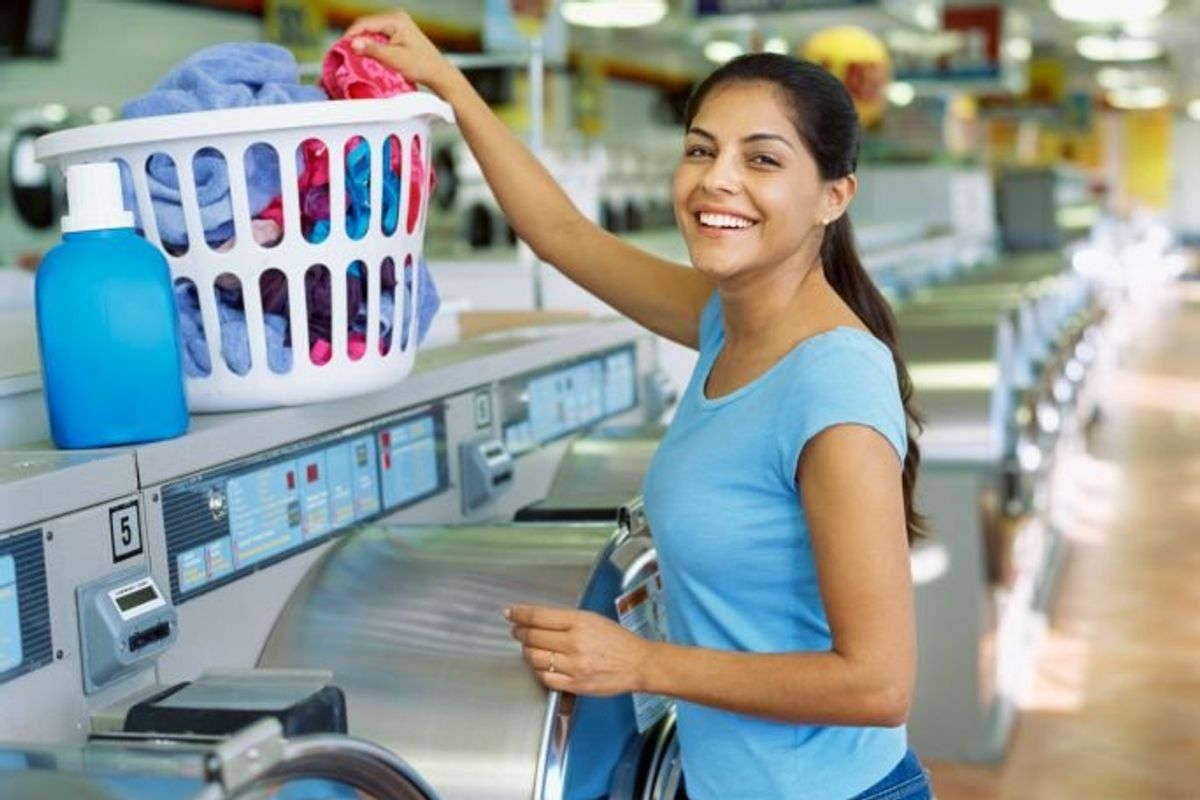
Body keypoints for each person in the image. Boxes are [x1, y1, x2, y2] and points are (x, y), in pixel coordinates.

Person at [347, 12, 930, 799]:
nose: (717, 179)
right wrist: (449, 84)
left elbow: (877, 684)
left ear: (834, 195)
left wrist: (641, 664)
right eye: (701, 150)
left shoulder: (834, 384)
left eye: (762, 159)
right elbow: (562, 234)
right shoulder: (729, 320)